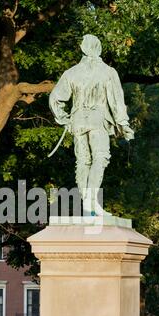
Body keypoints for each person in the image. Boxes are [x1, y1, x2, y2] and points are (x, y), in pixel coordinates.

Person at [49, 34, 134, 212]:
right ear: (99, 48)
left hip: (78, 121)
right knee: (100, 157)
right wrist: (124, 124)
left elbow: (55, 98)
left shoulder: (71, 73)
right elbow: (117, 102)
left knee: (83, 161)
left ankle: (87, 203)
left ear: (83, 48)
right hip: (98, 120)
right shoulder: (108, 72)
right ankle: (90, 200)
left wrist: (64, 119)